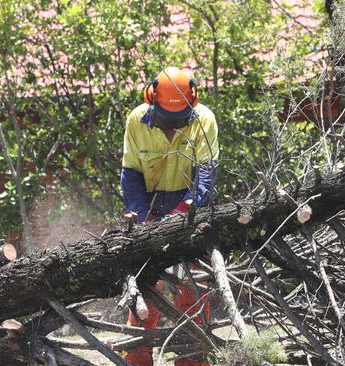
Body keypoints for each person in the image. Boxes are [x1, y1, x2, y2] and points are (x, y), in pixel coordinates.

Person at [120, 67, 218, 366]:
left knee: (194, 283)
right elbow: (131, 173)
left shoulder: (204, 120)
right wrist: (141, 218)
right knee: (147, 285)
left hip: (189, 206)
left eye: (179, 120)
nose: (172, 125)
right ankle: (138, 357)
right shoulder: (137, 120)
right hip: (148, 204)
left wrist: (186, 209)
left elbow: (206, 176)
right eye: (166, 118)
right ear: (152, 101)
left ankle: (191, 358)